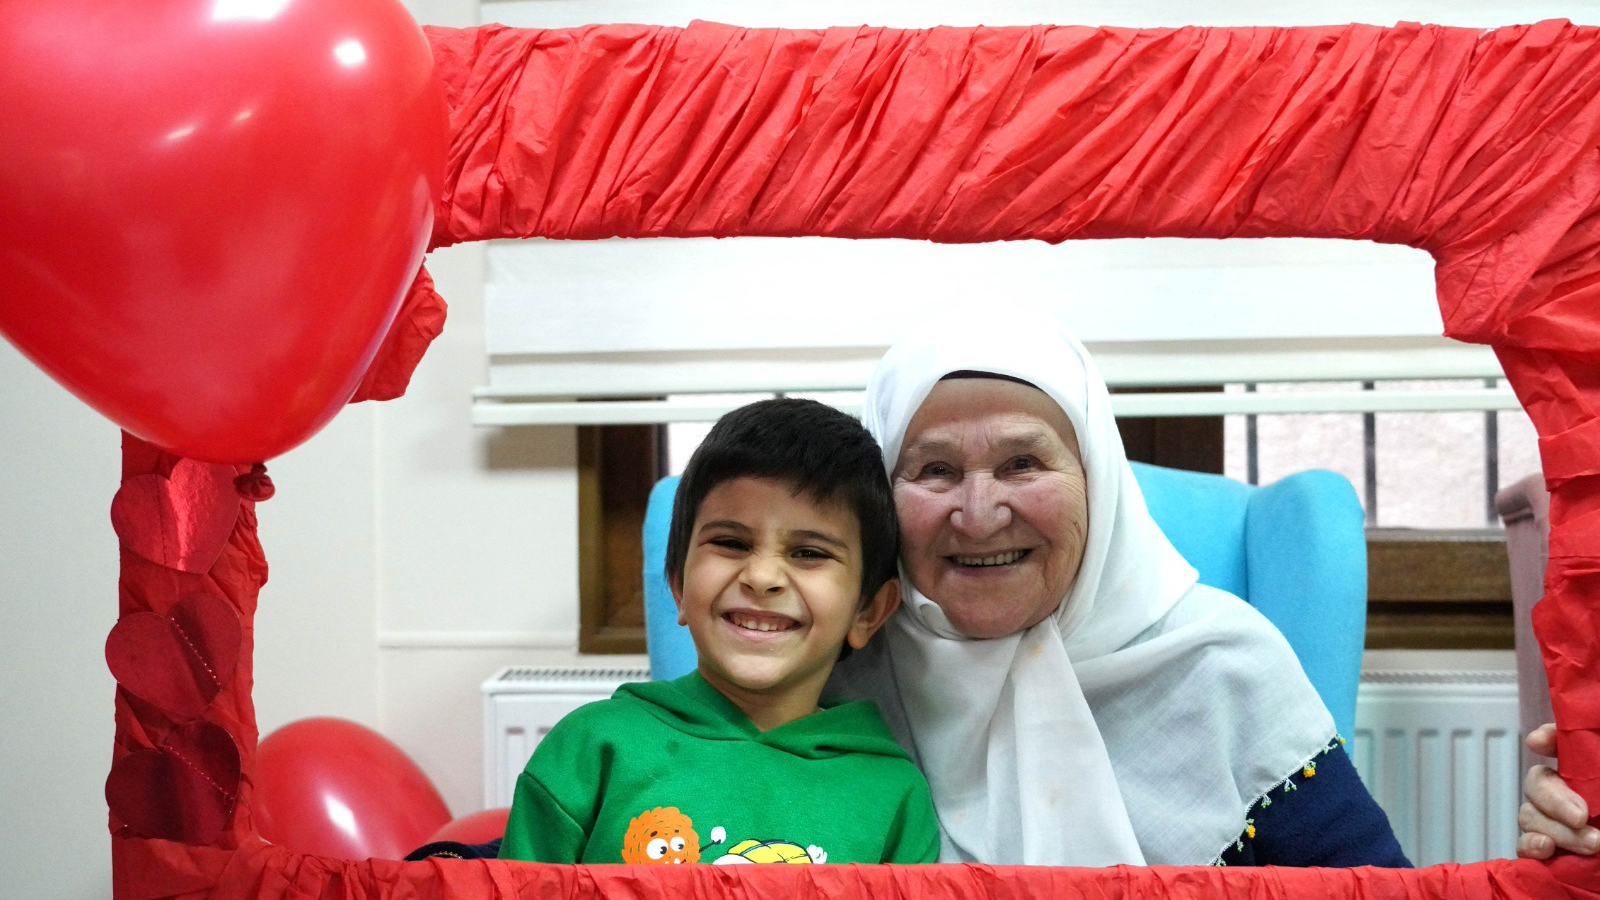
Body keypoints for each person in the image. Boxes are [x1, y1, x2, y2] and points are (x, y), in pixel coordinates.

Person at [826, 322, 1411, 866]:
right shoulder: (837, 676)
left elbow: (1373, 885)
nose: (979, 517)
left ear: (1097, 480)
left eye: (1022, 463)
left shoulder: (1223, 665)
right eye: (935, 470)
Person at [495, 398, 940, 865]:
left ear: (868, 611)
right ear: (679, 587)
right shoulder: (589, 749)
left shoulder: (895, 796)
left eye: (809, 553)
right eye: (730, 543)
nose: (762, 577)